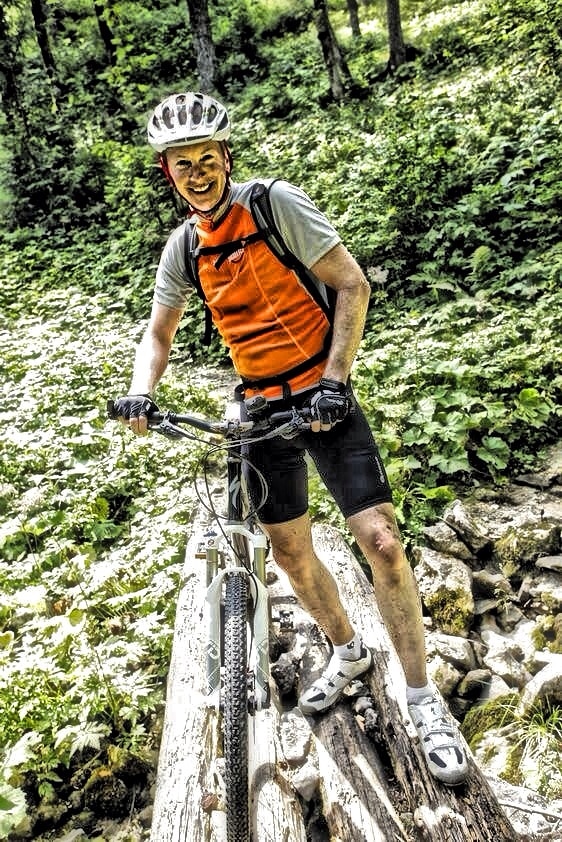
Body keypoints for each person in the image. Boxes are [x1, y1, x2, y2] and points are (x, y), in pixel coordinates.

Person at [113, 92, 468, 786]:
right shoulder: (184, 247)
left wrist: (336, 379)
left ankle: (424, 700)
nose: (197, 174)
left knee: (381, 540)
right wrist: (142, 391)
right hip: (257, 407)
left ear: (226, 158)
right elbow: (158, 333)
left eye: (207, 159)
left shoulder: (275, 206)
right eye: (183, 164)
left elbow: (352, 285)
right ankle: (349, 650)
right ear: (167, 173)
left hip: (322, 395)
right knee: (290, 554)